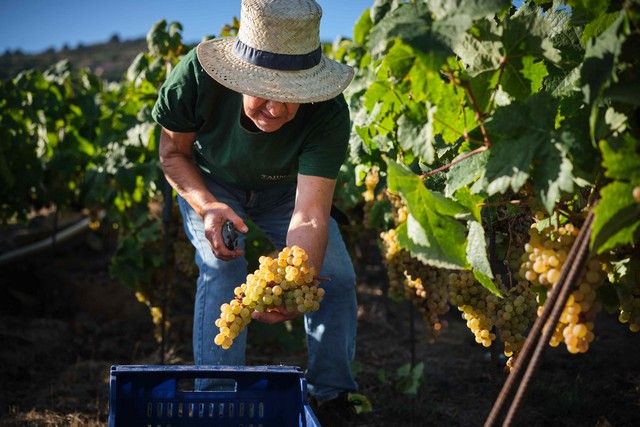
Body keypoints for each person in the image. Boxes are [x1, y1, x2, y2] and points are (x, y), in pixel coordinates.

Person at [151, 0, 358, 424]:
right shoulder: (193, 79)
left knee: (334, 279)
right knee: (222, 268)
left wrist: (297, 282)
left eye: (291, 97)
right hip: (211, 186)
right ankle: (218, 402)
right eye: (265, 91)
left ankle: (331, 398)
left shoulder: (330, 113)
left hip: (286, 194)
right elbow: (173, 154)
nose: (277, 109)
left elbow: (311, 213)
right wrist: (208, 206)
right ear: (237, 77)